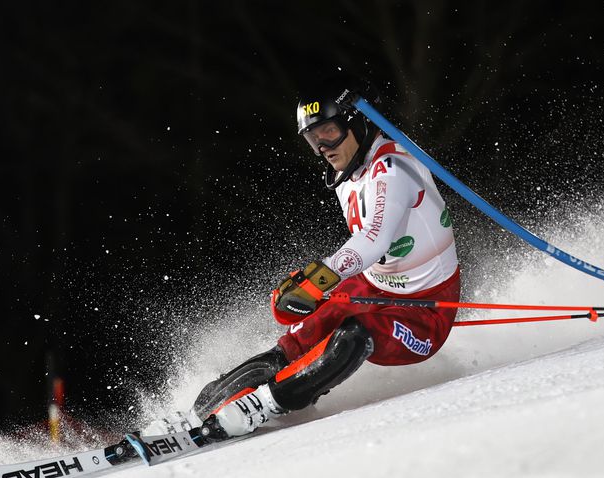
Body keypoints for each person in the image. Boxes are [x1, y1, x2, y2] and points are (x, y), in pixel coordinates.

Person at [147, 77, 461, 441]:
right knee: (295, 342)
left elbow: (372, 240)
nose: (323, 147)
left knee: (353, 337)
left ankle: (268, 405)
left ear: (356, 122)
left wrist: (320, 278)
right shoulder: (346, 171)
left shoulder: (392, 166)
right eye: (313, 138)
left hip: (425, 308)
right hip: (374, 286)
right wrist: (310, 284)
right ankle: (195, 414)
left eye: (329, 131)